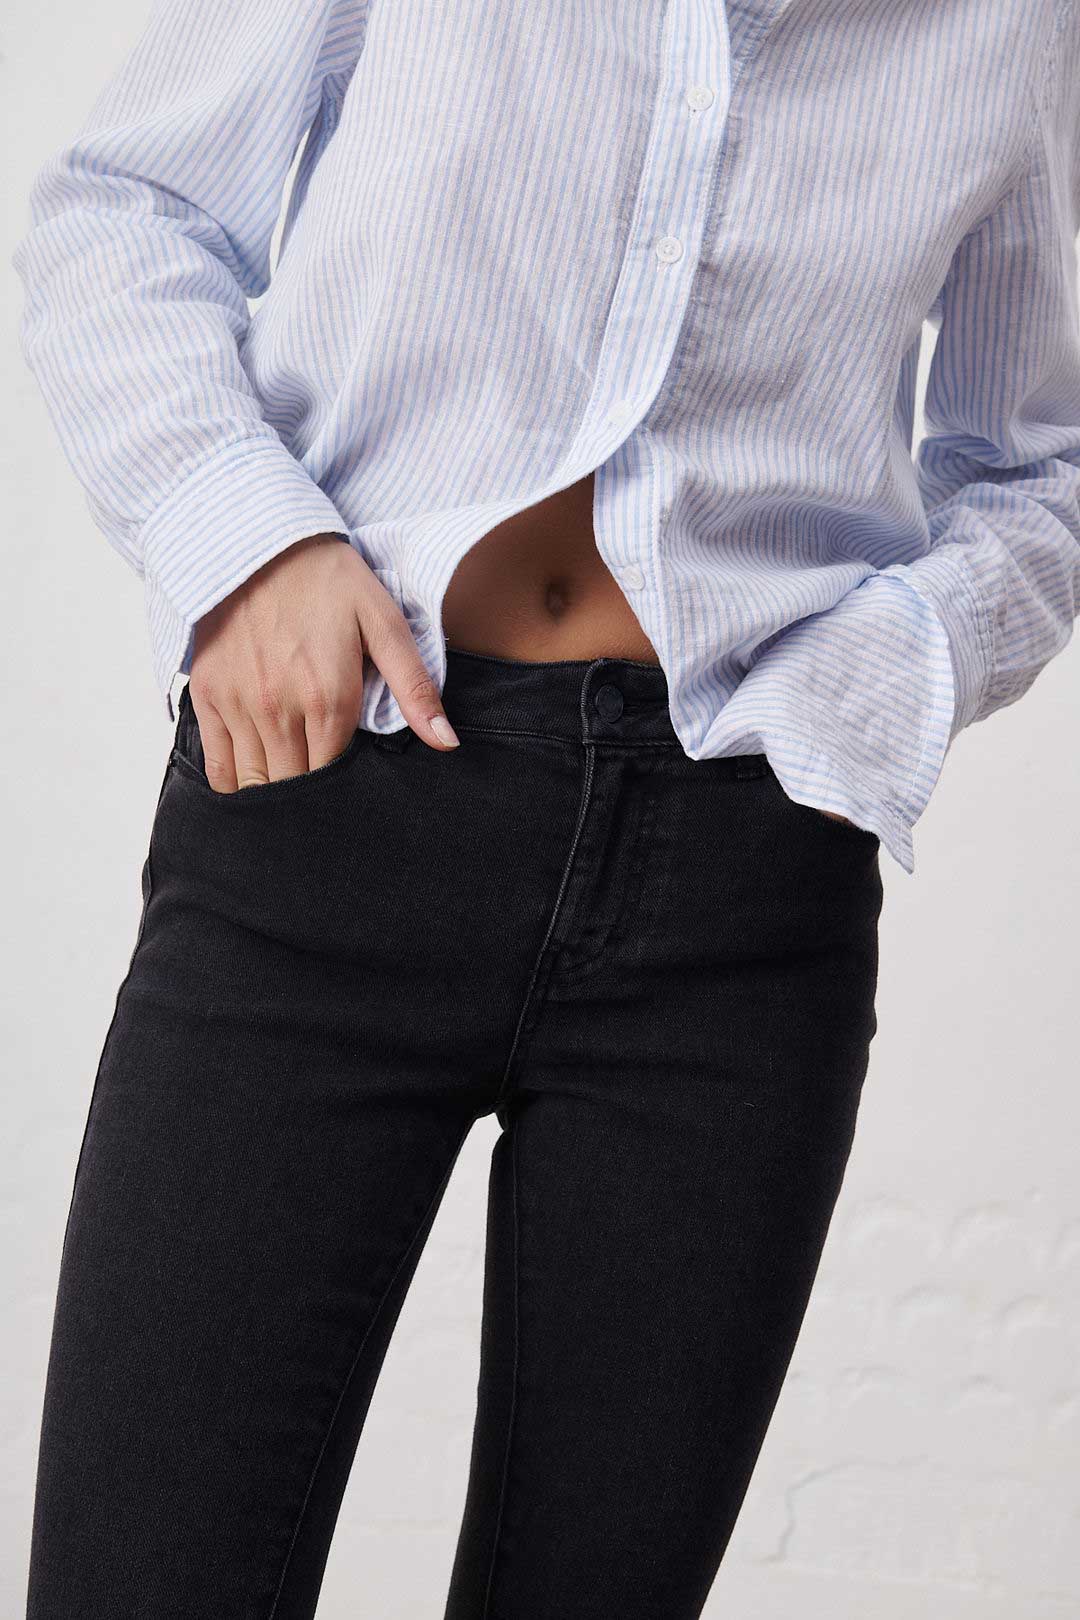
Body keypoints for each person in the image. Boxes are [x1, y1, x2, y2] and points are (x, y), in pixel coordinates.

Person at [12, 2, 1080, 1615]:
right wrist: (247, 543)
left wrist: (867, 682)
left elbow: (1042, 464)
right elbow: (129, 206)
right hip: (330, 807)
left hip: (738, 890)